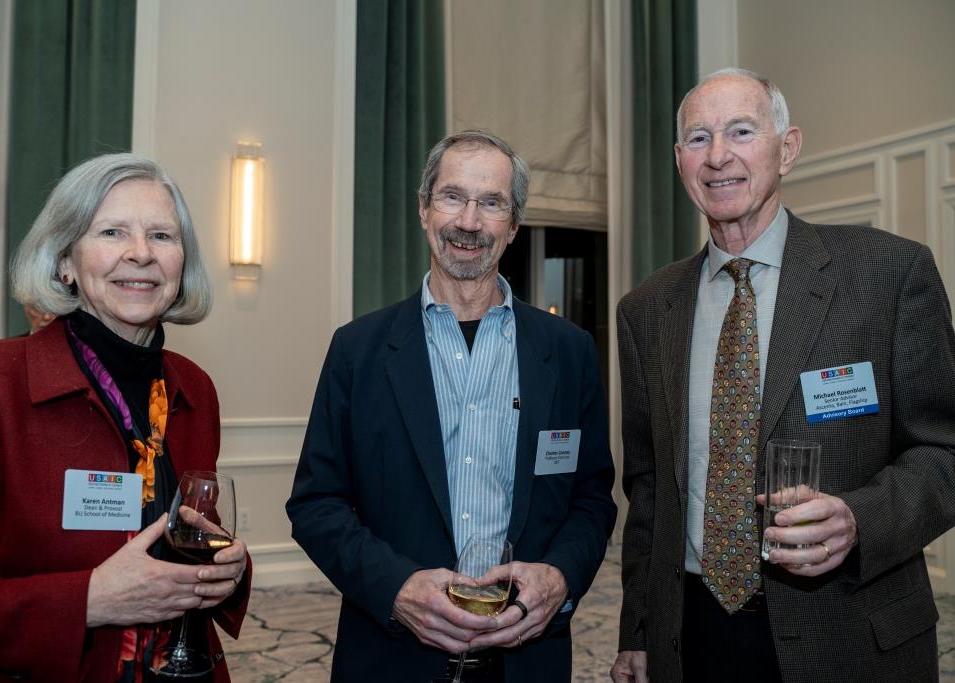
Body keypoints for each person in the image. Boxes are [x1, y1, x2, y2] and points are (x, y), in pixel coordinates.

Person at [611, 67, 955, 683]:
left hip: (849, 631)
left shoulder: (887, 273)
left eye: (741, 131)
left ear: (787, 149)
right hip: (693, 631)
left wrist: (859, 519)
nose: (718, 156)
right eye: (698, 138)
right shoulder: (647, 308)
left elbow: (944, 451)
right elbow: (649, 487)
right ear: (679, 160)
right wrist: (638, 630)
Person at [287, 130, 617, 682]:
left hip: (526, 659)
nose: (469, 221)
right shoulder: (357, 350)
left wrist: (560, 577)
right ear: (424, 209)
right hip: (393, 658)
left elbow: (591, 499)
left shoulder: (568, 351)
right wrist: (397, 589)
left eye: (491, 203)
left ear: (513, 225)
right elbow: (317, 504)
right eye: (452, 197)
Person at [0, 153, 251, 682]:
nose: (141, 253)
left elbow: (193, 534)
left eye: (162, 236)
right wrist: (88, 600)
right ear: (65, 262)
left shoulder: (194, 388)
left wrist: (230, 573)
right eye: (112, 232)